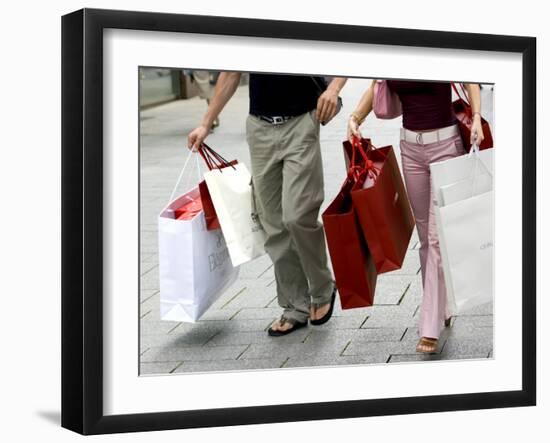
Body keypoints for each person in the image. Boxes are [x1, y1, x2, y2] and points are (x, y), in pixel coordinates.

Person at [188, 73, 347, 336]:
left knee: (297, 215)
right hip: (260, 129)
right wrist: (205, 124)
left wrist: (334, 89)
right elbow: (231, 71)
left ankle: (322, 287)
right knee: (273, 224)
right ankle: (295, 305)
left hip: (301, 123)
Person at [347, 80, 485, 353]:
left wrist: (478, 117)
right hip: (410, 149)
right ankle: (440, 304)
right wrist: (354, 117)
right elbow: (376, 84)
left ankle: (429, 327)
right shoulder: (396, 51)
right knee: (425, 237)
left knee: (436, 239)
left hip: (446, 146)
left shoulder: (441, 45)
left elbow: (471, 80)